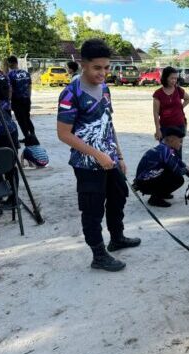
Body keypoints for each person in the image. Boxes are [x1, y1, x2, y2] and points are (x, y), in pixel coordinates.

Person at [57, 38, 140, 272]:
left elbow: (108, 123)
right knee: (92, 210)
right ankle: (98, 255)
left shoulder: (105, 88)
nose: (103, 73)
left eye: (107, 67)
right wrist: (96, 154)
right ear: (83, 64)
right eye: (97, 68)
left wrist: (119, 156)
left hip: (110, 158)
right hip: (87, 164)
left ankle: (117, 237)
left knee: (118, 197)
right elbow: (63, 134)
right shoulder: (70, 94)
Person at [133, 131, 188, 208]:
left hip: (145, 180)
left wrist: (188, 169)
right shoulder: (165, 151)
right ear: (172, 140)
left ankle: (162, 194)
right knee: (178, 179)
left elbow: (179, 163)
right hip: (144, 183)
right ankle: (155, 199)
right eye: (180, 141)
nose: (181, 144)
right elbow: (178, 171)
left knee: (171, 172)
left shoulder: (166, 148)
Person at [152, 66, 189, 147]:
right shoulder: (158, 93)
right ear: (165, 78)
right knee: (164, 152)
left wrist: (180, 108)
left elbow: (188, 98)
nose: (174, 81)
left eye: (176, 78)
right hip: (165, 126)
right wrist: (157, 129)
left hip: (179, 125)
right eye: (172, 78)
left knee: (177, 151)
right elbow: (155, 113)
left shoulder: (178, 90)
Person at [7, 56, 37, 144]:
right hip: (26, 99)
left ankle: (27, 138)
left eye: (8, 63)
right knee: (27, 118)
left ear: (11, 63)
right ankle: (33, 135)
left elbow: (10, 89)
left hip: (17, 100)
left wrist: (9, 100)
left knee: (21, 120)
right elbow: (30, 86)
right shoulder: (26, 73)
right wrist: (29, 97)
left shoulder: (10, 75)